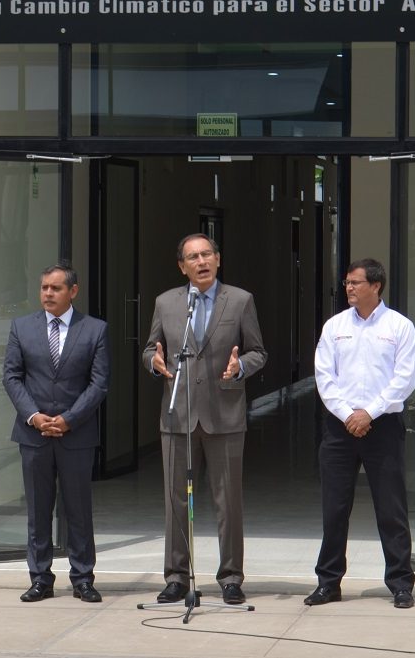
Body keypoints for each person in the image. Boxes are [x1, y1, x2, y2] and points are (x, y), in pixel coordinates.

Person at [142, 233, 267, 605]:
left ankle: (231, 577)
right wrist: (154, 362)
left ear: (218, 259)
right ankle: (177, 577)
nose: (201, 261)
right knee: (175, 502)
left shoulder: (240, 300)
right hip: (177, 414)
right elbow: (150, 348)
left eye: (207, 254)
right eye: (193, 257)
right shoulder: (166, 302)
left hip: (224, 415)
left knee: (228, 502)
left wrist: (240, 366)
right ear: (182, 266)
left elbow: (258, 351)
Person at [307, 258, 415, 609]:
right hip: (340, 427)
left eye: (355, 282)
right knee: (335, 509)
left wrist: (369, 413)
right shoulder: (335, 326)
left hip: (382, 425)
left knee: (391, 508)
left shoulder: (399, 326)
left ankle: (400, 583)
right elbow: (324, 376)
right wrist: (348, 414)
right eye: (347, 283)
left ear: (376, 285)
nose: (349, 288)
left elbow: (404, 379)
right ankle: (328, 582)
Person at [3, 262, 109, 604]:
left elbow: (99, 383)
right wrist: (34, 416)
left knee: (78, 509)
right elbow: (12, 376)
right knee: (38, 510)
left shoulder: (94, 330)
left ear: (72, 291)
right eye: (44, 287)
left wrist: (69, 419)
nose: (48, 293)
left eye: (56, 288)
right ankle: (40, 579)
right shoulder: (21, 327)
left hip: (75, 435)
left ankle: (83, 579)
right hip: (33, 435)